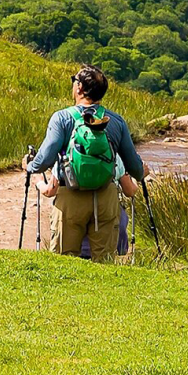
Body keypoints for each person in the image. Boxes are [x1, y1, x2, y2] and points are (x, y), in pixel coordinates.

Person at [25, 64, 147, 259]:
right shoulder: (115, 121)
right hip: (106, 196)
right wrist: (143, 172)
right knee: (104, 263)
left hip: (70, 196)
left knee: (63, 261)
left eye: (74, 81)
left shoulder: (62, 118)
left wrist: (29, 166)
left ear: (80, 87)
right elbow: (134, 167)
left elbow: (43, 161)